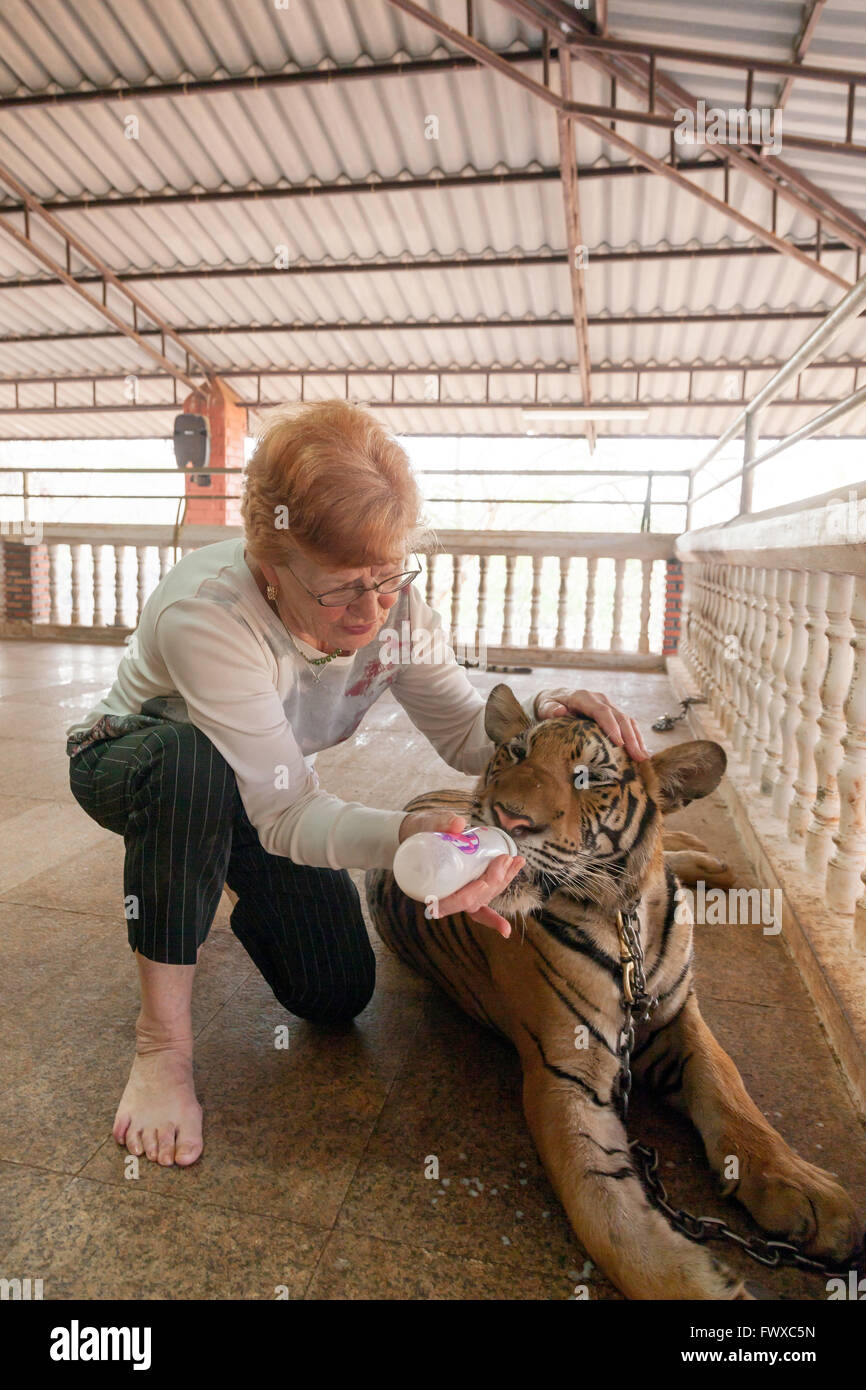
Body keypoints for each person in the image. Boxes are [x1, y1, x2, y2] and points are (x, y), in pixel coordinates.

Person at [67, 401, 649, 1169]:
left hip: (258, 784)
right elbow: (286, 812)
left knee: (336, 994)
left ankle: (211, 872)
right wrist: (405, 834)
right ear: (268, 564)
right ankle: (161, 1047)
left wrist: (545, 720)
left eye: (386, 577)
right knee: (192, 771)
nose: (372, 612)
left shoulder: (395, 606)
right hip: (137, 760)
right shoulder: (206, 616)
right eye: (342, 589)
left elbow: (468, 737)